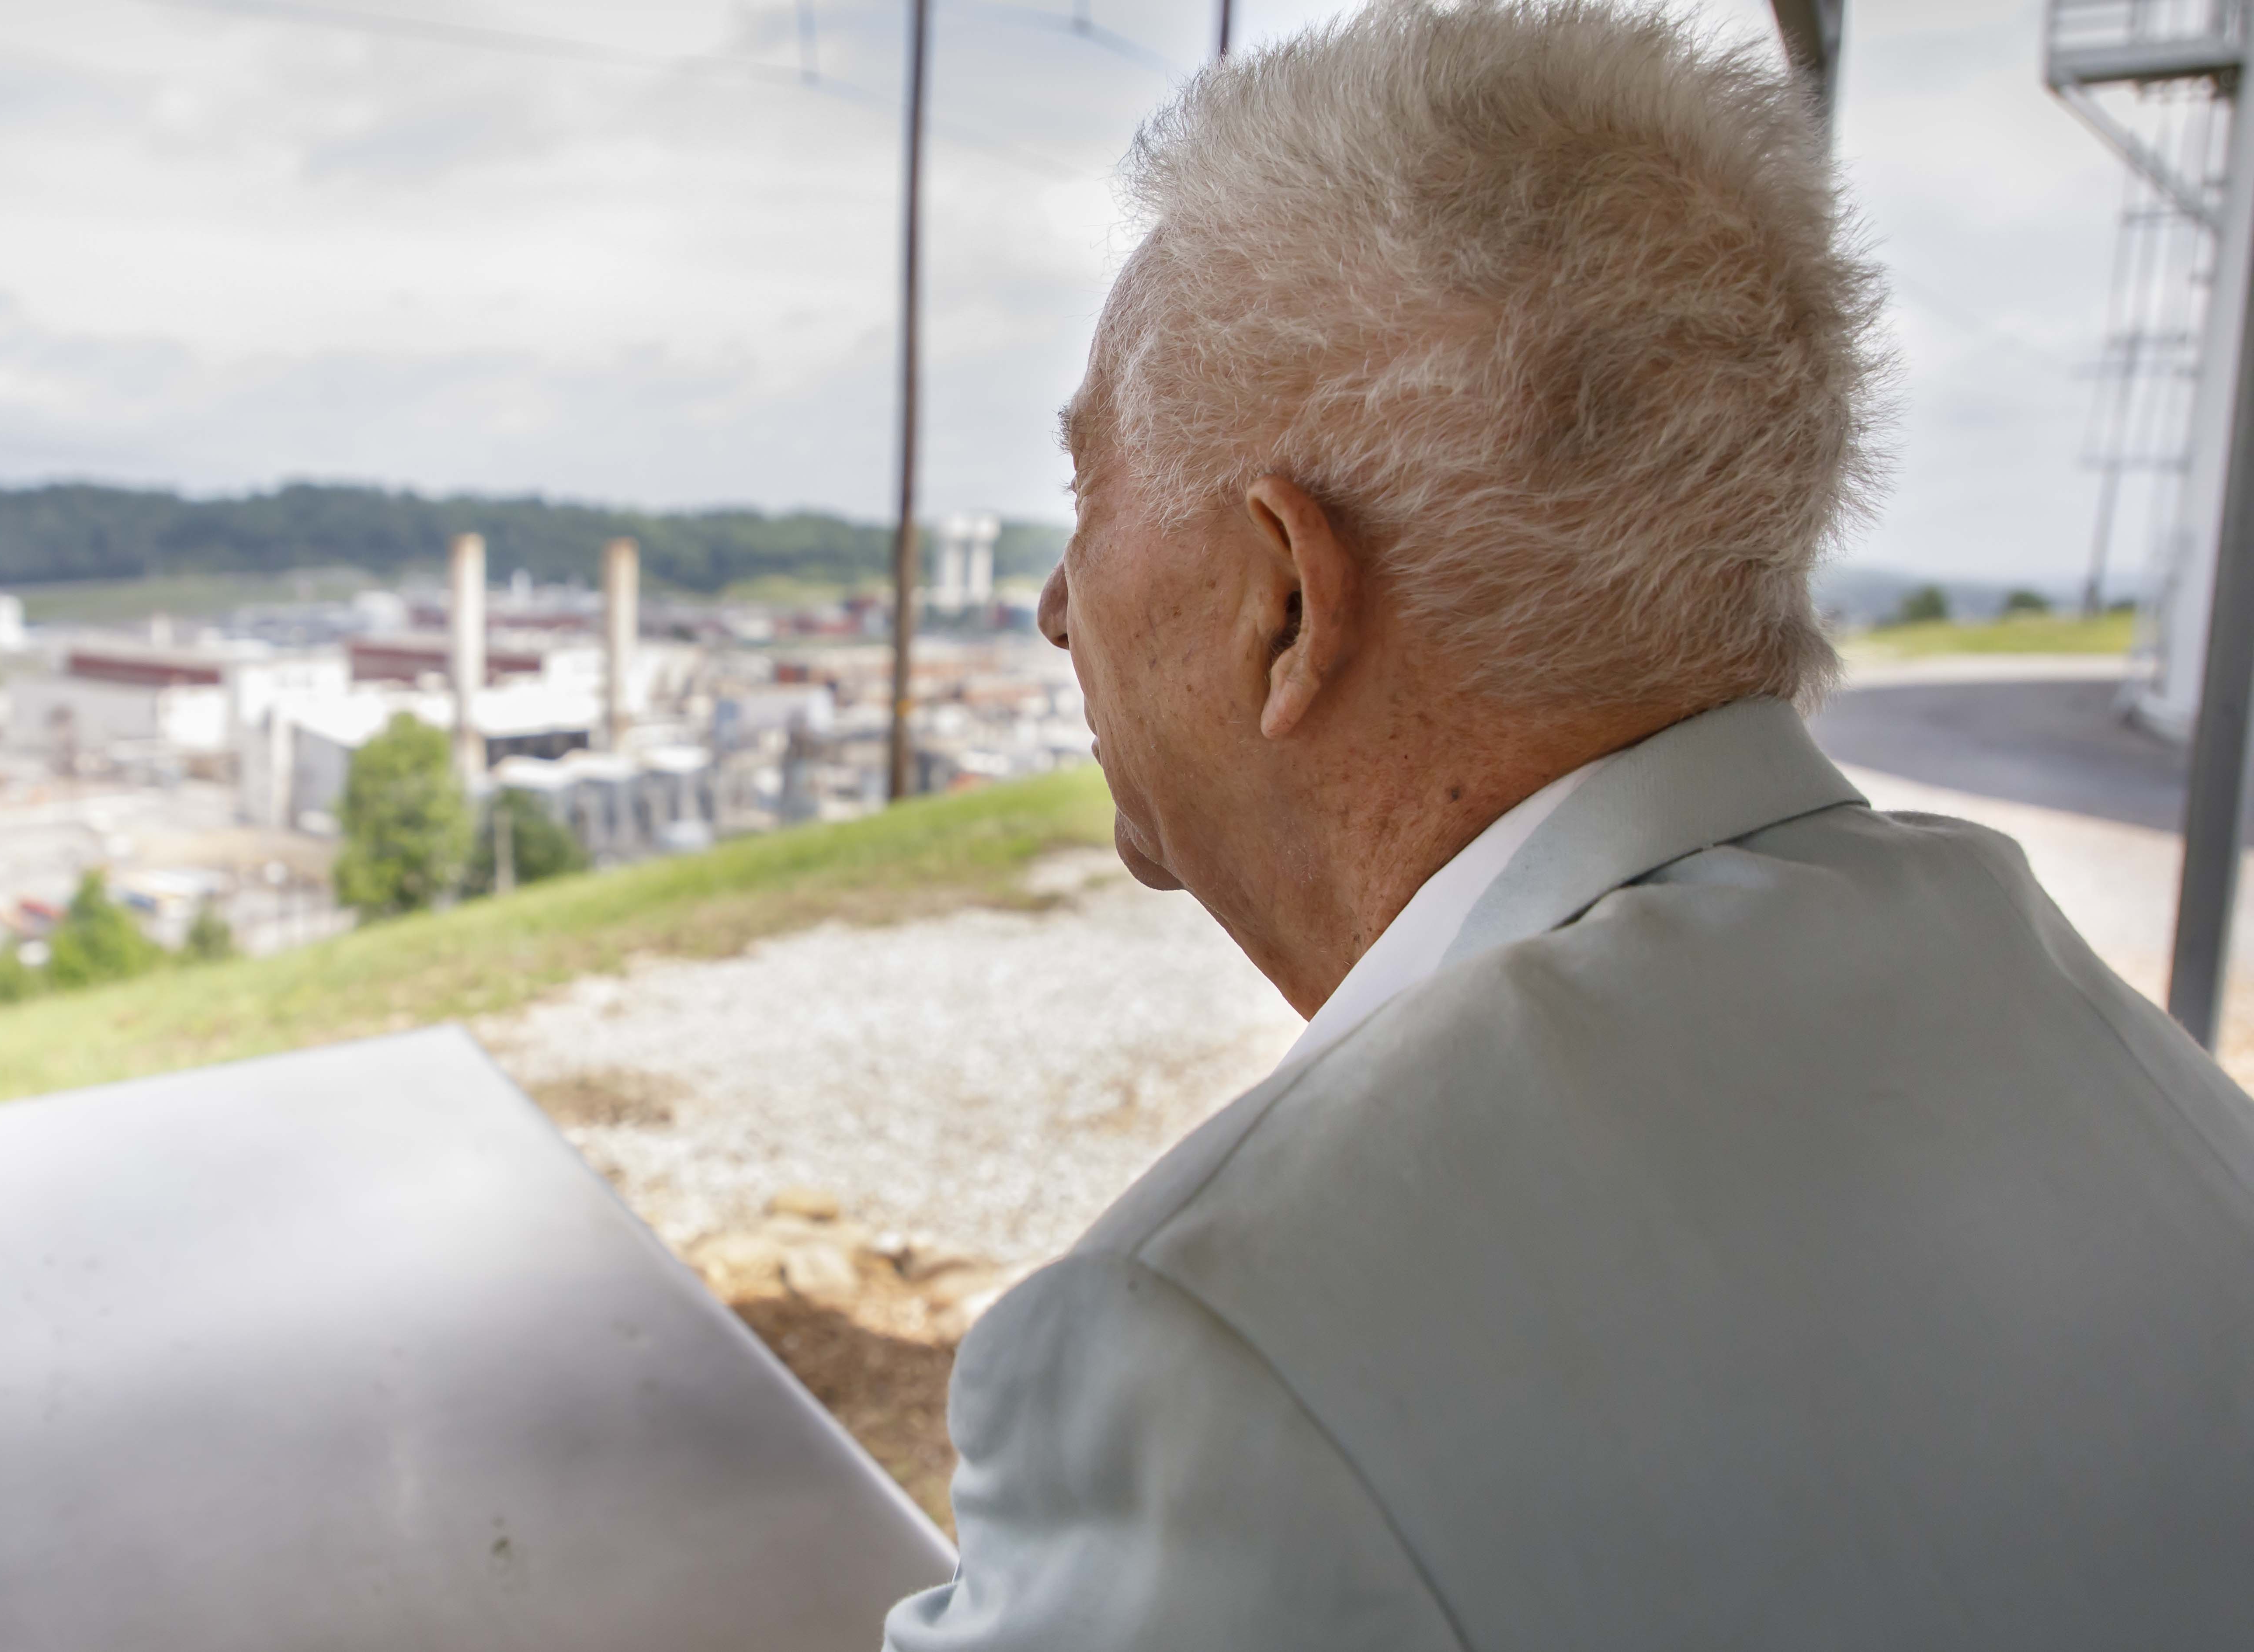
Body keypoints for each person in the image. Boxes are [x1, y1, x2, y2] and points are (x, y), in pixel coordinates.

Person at [882, 3, 2254, 1648]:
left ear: (1286, 604)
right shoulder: (2132, 1077)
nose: (1053, 607)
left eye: (1088, 493)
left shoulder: (1209, 1348)